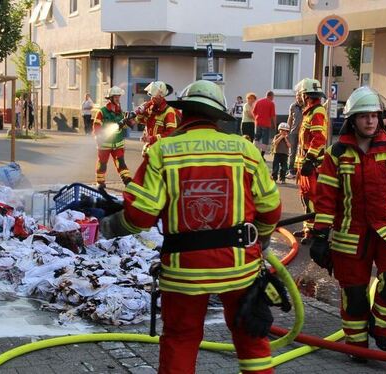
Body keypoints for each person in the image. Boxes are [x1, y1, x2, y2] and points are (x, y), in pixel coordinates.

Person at [100, 79, 281, 374]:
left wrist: (109, 226)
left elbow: (140, 217)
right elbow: (271, 208)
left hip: (184, 271)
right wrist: (260, 239)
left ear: (183, 113)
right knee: (252, 339)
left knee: (181, 339)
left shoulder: (162, 152)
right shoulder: (244, 150)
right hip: (239, 267)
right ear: (218, 116)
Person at [310, 86, 386, 356]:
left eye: (374, 116)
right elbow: (326, 199)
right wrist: (319, 236)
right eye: (364, 116)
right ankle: (358, 346)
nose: (370, 121)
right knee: (354, 294)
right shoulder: (337, 153)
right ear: (353, 119)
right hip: (350, 234)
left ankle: (381, 328)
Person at [293, 78, 328, 244]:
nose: (298, 97)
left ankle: (314, 231)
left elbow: (319, 138)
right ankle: (308, 227)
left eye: (300, 94)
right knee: (306, 198)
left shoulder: (317, 112)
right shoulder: (309, 111)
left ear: (306, 95)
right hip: (305, 164)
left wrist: (310, 159)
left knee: (313, 198)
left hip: (312, 165)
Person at [93, 86, 132, 188]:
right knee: (102, 164)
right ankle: (100, 182)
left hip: (118, 144)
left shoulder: (120, 112)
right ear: (110, 98)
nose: (118, 99)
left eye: (119, 96)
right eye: (116, 97)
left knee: (121, 163)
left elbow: (127, 125)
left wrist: (130, 120)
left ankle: (127, 180)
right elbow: (96, 126)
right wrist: (98, 137)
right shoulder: (102, 112)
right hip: (104, 144)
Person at [134, 81, 178, 153]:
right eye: (151, 96)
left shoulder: (169, 111)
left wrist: (152, 138)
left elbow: (171, 134)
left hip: (161, 152)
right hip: (149, 150)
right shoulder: (151, 108)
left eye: (154, 96)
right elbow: (141, 120)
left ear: (161, 95)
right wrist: (141, 112)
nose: (152, 99)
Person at [253, 91, 276, 157]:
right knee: (265, 140)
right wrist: (274, 124)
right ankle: (262, 155)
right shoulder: (271, 103)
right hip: (266, 124)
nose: (273, 98)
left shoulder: (258, 101)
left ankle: (254, 153)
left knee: (257, 138)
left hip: (258, 123)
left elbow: (254, 112)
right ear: (270, 96)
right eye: (273, 97)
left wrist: (256, 119)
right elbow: (273, 116)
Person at [287, 91, 303, 178]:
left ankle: (299, 170)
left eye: (300, 95)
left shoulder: (306, 105)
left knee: (301, 151)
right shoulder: (293, 106)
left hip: (303, 133)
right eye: (297, 96)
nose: (298, 97)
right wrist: (286, 129)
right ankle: (291, 171)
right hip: (293, 132)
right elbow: (290, 118)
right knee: (292, 152)